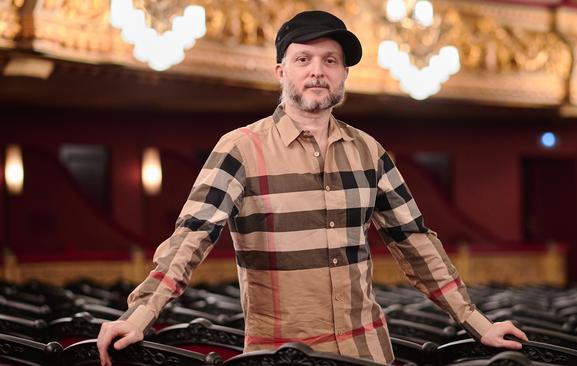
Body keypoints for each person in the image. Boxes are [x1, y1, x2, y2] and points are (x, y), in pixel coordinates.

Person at [97, 10, 528, 366]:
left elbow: (414, 241)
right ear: (281, 71)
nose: (317, 71)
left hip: (368, 351)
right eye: (304, 60)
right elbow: (191, 237)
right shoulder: (240, 148)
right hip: (283, 355)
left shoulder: (368, 150)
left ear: (343, 75)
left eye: (330, 60)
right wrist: (139, 315)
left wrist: (478, 323)